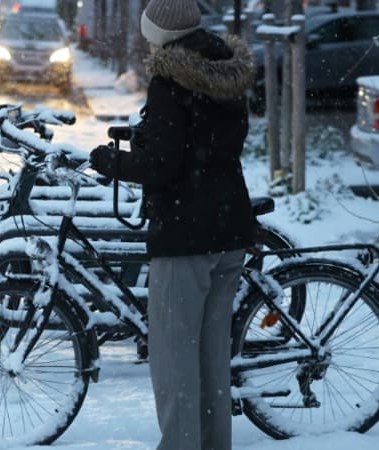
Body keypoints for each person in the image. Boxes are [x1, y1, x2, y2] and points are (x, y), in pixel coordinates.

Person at [89, 0, 255, 449]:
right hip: (227, 227)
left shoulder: (170, 79)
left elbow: (162, 165)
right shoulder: (224, 68)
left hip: (185, 234)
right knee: (211, 357)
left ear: (159, 31)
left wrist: (109, 160)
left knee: (174, 360)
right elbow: (212, 140)